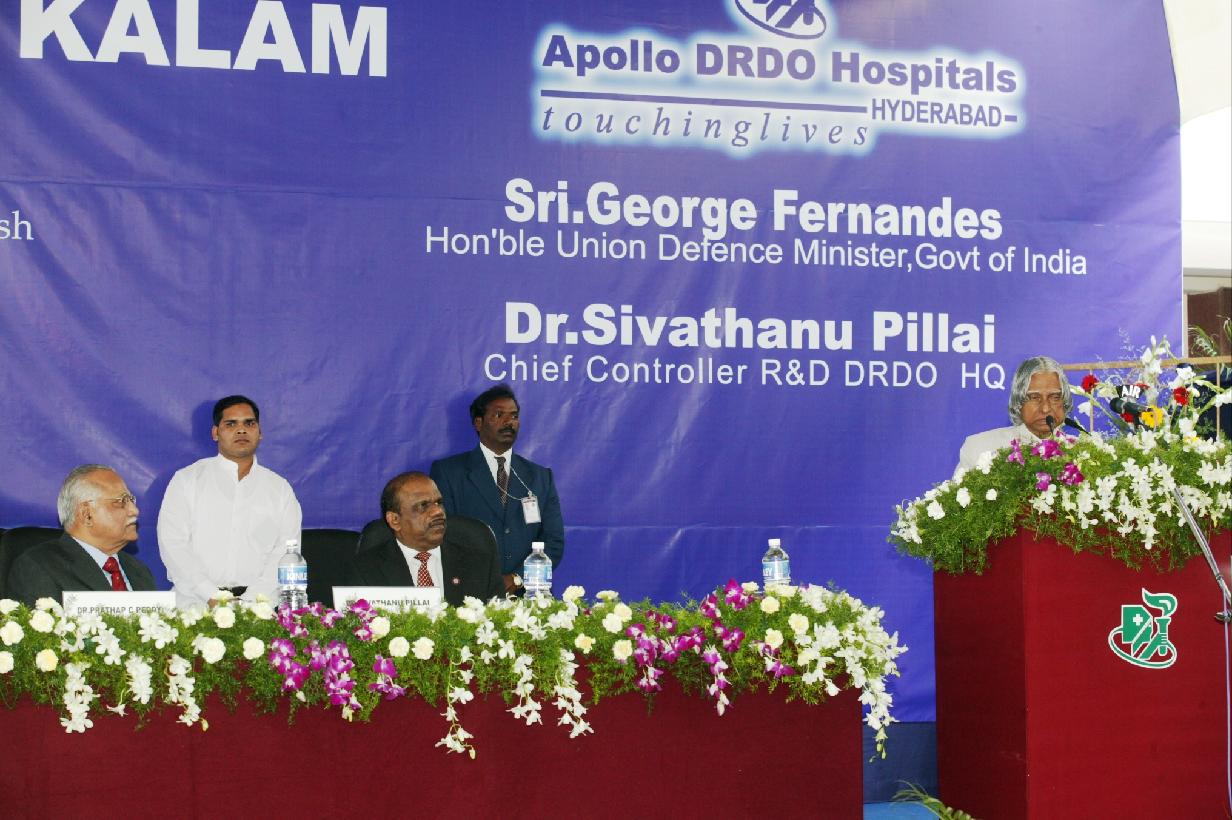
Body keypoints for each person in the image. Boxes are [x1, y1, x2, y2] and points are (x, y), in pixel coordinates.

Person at [157, 395, 302, 607]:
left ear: (260, 432)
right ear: (215, 433)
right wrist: (210, 594)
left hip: (259, 607)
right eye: (231, 424)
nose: (241, 430)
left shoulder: (279, 489)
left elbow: (285, 552)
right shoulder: (187, 480)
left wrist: (252, 601)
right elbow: (173, 544)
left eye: (249, 423)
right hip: (196, 604)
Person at [430, 384, 564, 594]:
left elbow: (553, 542)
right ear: (478, 422)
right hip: (470, 594)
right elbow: (443, 536)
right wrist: (485, 582)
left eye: (514, 416)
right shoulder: (449, 473)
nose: (509, 422)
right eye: (499, 415)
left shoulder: (540, 477)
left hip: (528, 595)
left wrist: (518, 578)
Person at [7, 465, 157, 605]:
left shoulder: (138, 571)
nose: (134, 511)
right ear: (86, 514)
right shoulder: (39, 567)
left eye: (131, 500)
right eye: (121, 501)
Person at [348, 472, 503, 605]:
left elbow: (499, 623)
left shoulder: (479, 565)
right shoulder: (366, 570)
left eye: (439, 503)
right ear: (395, 520)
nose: (438, 512)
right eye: (423, 505)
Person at [954, 356, 1074, 475]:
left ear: (1065, 402)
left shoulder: (1081, 453)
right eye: (1034, 397)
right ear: (1018, 402)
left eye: (1055, 397)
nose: (1045, 408)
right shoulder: (980, 449)